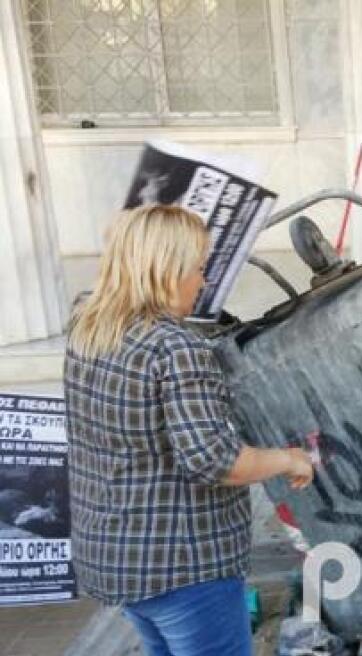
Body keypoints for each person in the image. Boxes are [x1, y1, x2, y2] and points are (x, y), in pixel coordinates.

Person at [64, 205, 316, 656]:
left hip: (118, 559)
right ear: (167, 270)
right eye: (198, 268)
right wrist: (289, 458)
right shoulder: (176, 348)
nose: (202, 282)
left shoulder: (87, 330)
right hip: (185, 566)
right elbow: (217, 462)